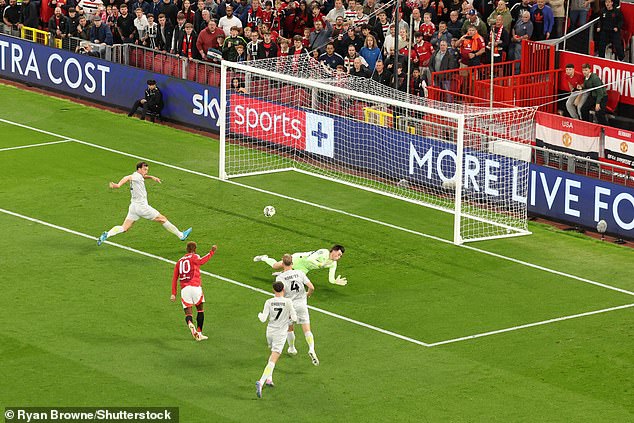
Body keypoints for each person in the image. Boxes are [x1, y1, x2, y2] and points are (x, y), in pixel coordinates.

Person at [96, 161, 192, 245]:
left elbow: (141, 177)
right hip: (142, 207)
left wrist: (151, 177)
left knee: (124, 228)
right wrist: (118, 185)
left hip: (133, 207)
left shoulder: (138, 176)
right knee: (162, 219)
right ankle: (181, 235)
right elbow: (127, 177)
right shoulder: (135, 176)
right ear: (139, 169)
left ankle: (107, 234)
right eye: (145, 169)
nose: (146, 171)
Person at [255, 281, 297, 398]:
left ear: (274, 290)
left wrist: (259, 314)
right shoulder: (288, 302)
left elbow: (263, 319)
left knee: (272, 353)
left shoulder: (269, 302)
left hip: (269, 332)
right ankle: (261, 381)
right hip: (280, 333)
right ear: (283, 289)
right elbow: (294, 318)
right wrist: (289, 320)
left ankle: (269, 379)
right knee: (274, 358)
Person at [275, 254, 318, 364]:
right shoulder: (300, 273)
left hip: (290, 305)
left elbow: (280, 293)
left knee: (290, 327)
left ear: (282, 264)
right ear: (292, 263)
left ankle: (292, 348)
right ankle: (311, 349)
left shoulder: (280, 278)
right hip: (302, 304)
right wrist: (308, 294)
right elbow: (312, 287)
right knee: (307, 329)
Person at [171, 242, 217, 341]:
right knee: (200, 310)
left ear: (186, 249)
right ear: (195, 249)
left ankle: (190, 324)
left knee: (188, 314)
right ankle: (199, 333)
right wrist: (211, 252)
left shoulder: (179, 262)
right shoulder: (195, 256)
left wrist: (173, 294)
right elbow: (202, 261)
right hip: (195, 287)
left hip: (184, 290)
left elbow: (174, 278)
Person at [253, 245, 347, 286]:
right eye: (338, 254)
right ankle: (264, 258)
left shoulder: (333, 264)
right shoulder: (323, 252)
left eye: (340, 256)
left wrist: (335, 281)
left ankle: (283, 273)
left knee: (293, 282)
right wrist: (320, 264)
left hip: (305, 269)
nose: (339, 257)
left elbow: (331, 279)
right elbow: (309, 259)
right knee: (275, 265)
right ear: (333, 250)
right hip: (298, 259)